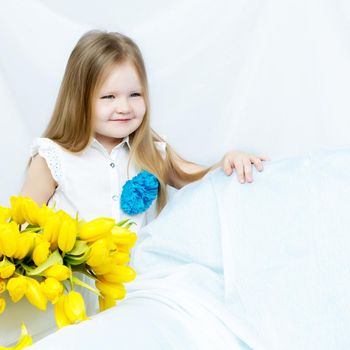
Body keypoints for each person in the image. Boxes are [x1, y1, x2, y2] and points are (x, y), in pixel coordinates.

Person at [11, 29, 270, 346]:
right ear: (79, 99)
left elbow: (202, 178)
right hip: (78, 289)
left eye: (135, 94)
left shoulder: (151, 150)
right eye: (108, 97)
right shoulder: (55, 156)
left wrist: (229, 160)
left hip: (141, 287)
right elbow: (19, 228)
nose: (124, 107)